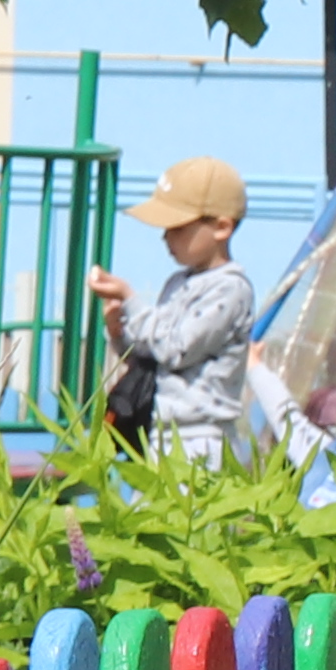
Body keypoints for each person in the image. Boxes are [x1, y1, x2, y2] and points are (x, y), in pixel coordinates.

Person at [87, 155, 266, 465]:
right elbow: (151, 353)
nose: (165, 237)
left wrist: (131, 299)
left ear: (222, 227)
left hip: (202, 440)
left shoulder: (231, 289)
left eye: (177, 227)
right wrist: (120, 333)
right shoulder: (177, 283)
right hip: (161, 431)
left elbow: (176, 347)